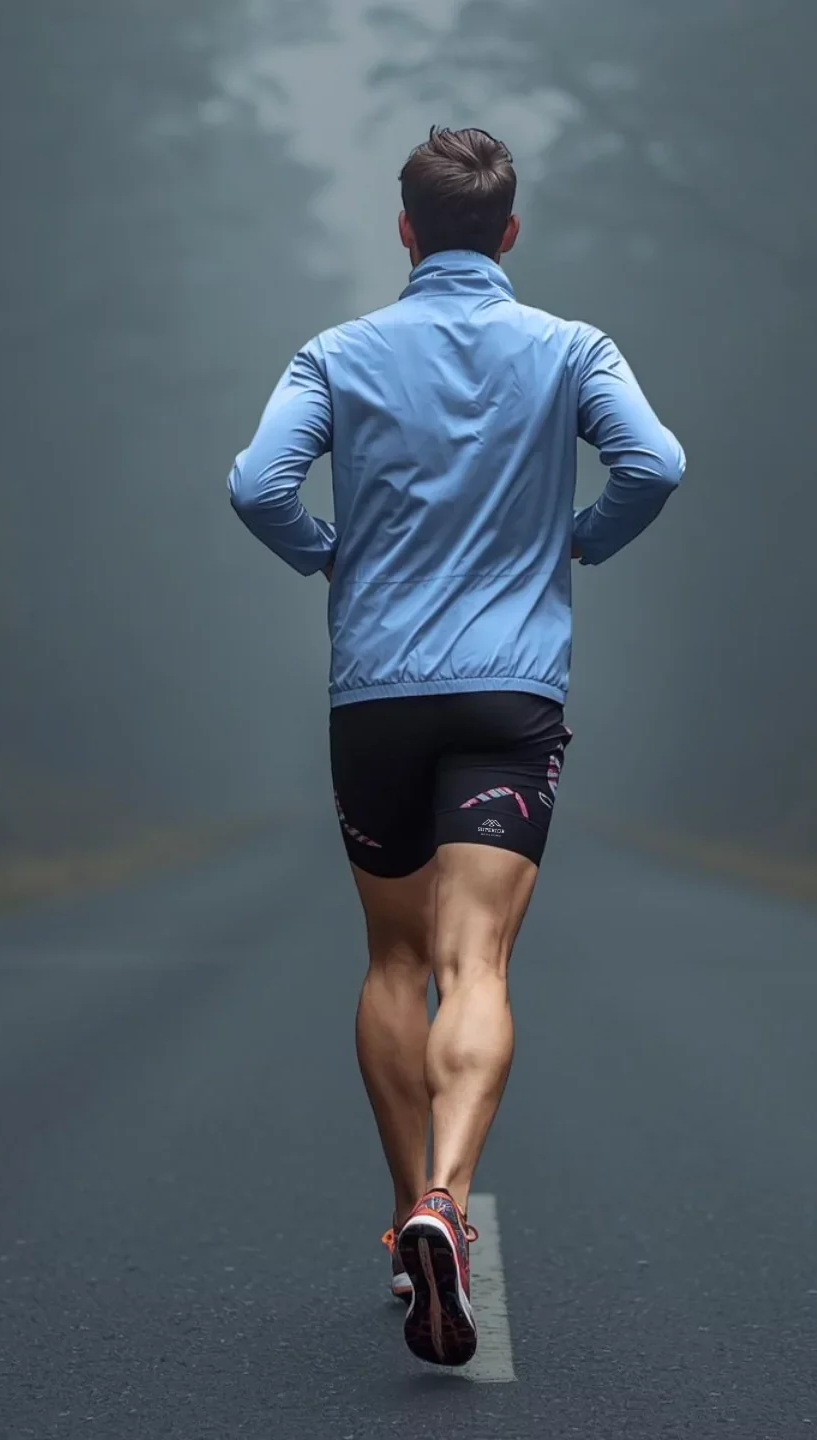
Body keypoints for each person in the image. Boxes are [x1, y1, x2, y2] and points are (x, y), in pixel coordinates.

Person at [227, 126, 685, 1367]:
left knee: (393, 962)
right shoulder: (572, 349)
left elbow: (259, 485)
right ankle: (448, 1203)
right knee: (475, 960)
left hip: (375, 691)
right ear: (512, 234)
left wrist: (335, 561)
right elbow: (657, 461)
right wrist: (577, 540)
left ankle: (402, 1218)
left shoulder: (335, 355)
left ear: (407, 232)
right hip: (511, 694)